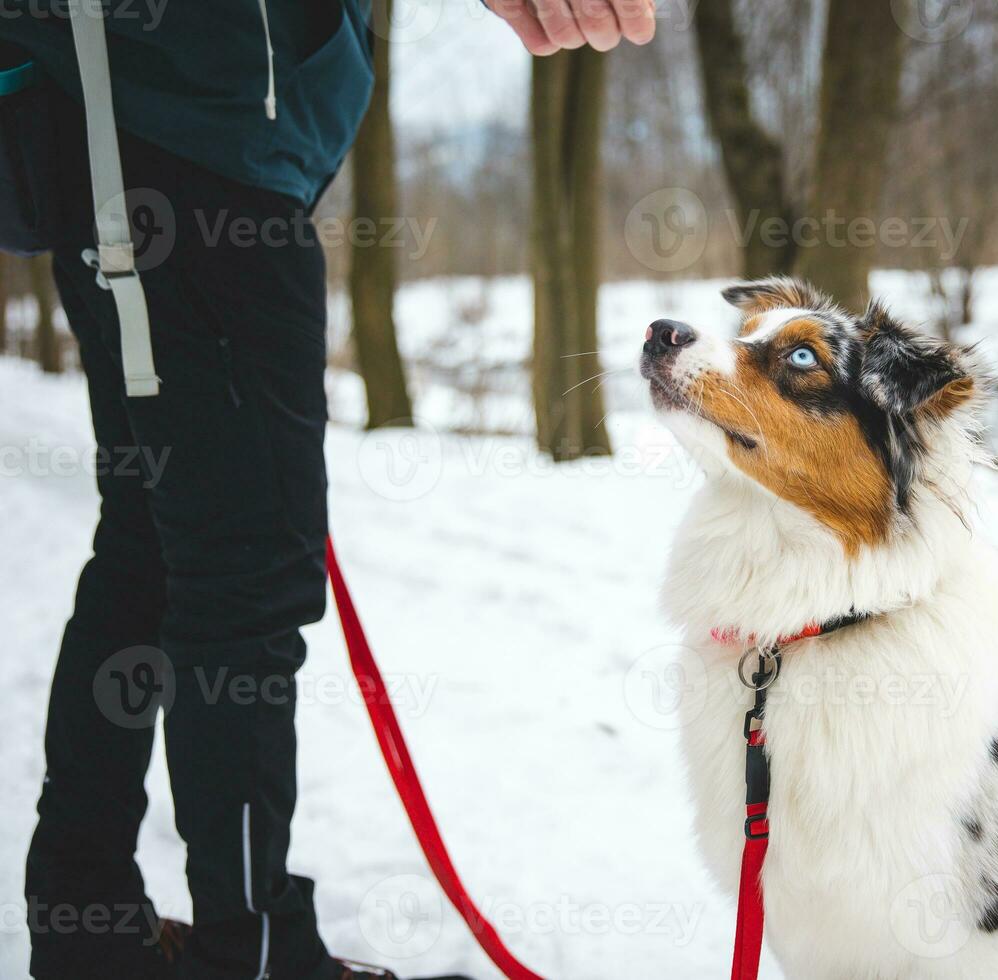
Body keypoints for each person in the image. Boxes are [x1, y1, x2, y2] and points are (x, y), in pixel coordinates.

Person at [6, 2, 654, 979]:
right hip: (191, 128)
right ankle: (249, 950)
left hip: (151, 128)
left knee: (152, 539)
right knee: (243, 576)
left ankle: (86, 922)